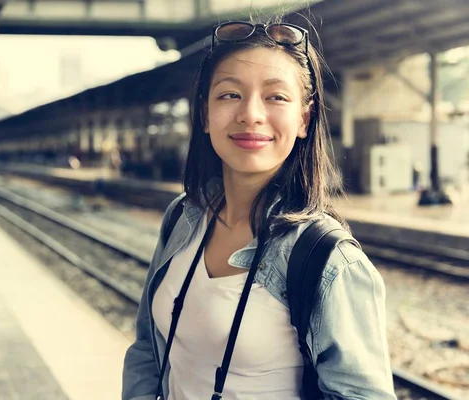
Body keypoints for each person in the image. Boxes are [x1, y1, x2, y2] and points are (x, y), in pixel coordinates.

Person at [123, 16, 396, 400]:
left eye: (276, 97)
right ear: (205, 114)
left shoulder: (328, 261)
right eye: (230, 94)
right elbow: (146, 350)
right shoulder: (184, 217)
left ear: (304, 118)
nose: (250, 114)